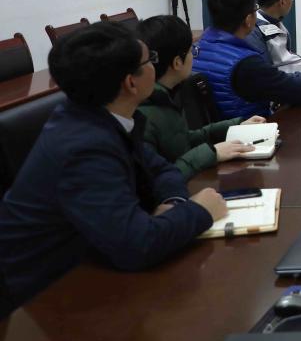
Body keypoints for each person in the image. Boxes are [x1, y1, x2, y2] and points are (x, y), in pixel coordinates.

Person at [0, 23, 226, 317]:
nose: (154, 65)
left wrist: (173, 203)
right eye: (150, 60)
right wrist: (200, 210)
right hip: (44, 297)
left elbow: (162, 171)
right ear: (131, 83)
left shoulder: (100, 115)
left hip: (94, 259)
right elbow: (137, 246)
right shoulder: (83, 148)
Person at [138, 15, 264, 179]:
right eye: (192, 50)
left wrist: (236, 126)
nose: (194, 55)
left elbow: (183, 140)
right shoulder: (145, 113)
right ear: (177, 63)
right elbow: (156, 182)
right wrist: (211, 153)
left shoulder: (165, 96)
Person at [193, 0, 301, 120]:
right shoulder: (246, 64)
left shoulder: (197, 48)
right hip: (250, 130)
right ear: (248, 20)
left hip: (217, 130)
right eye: (255, 8)